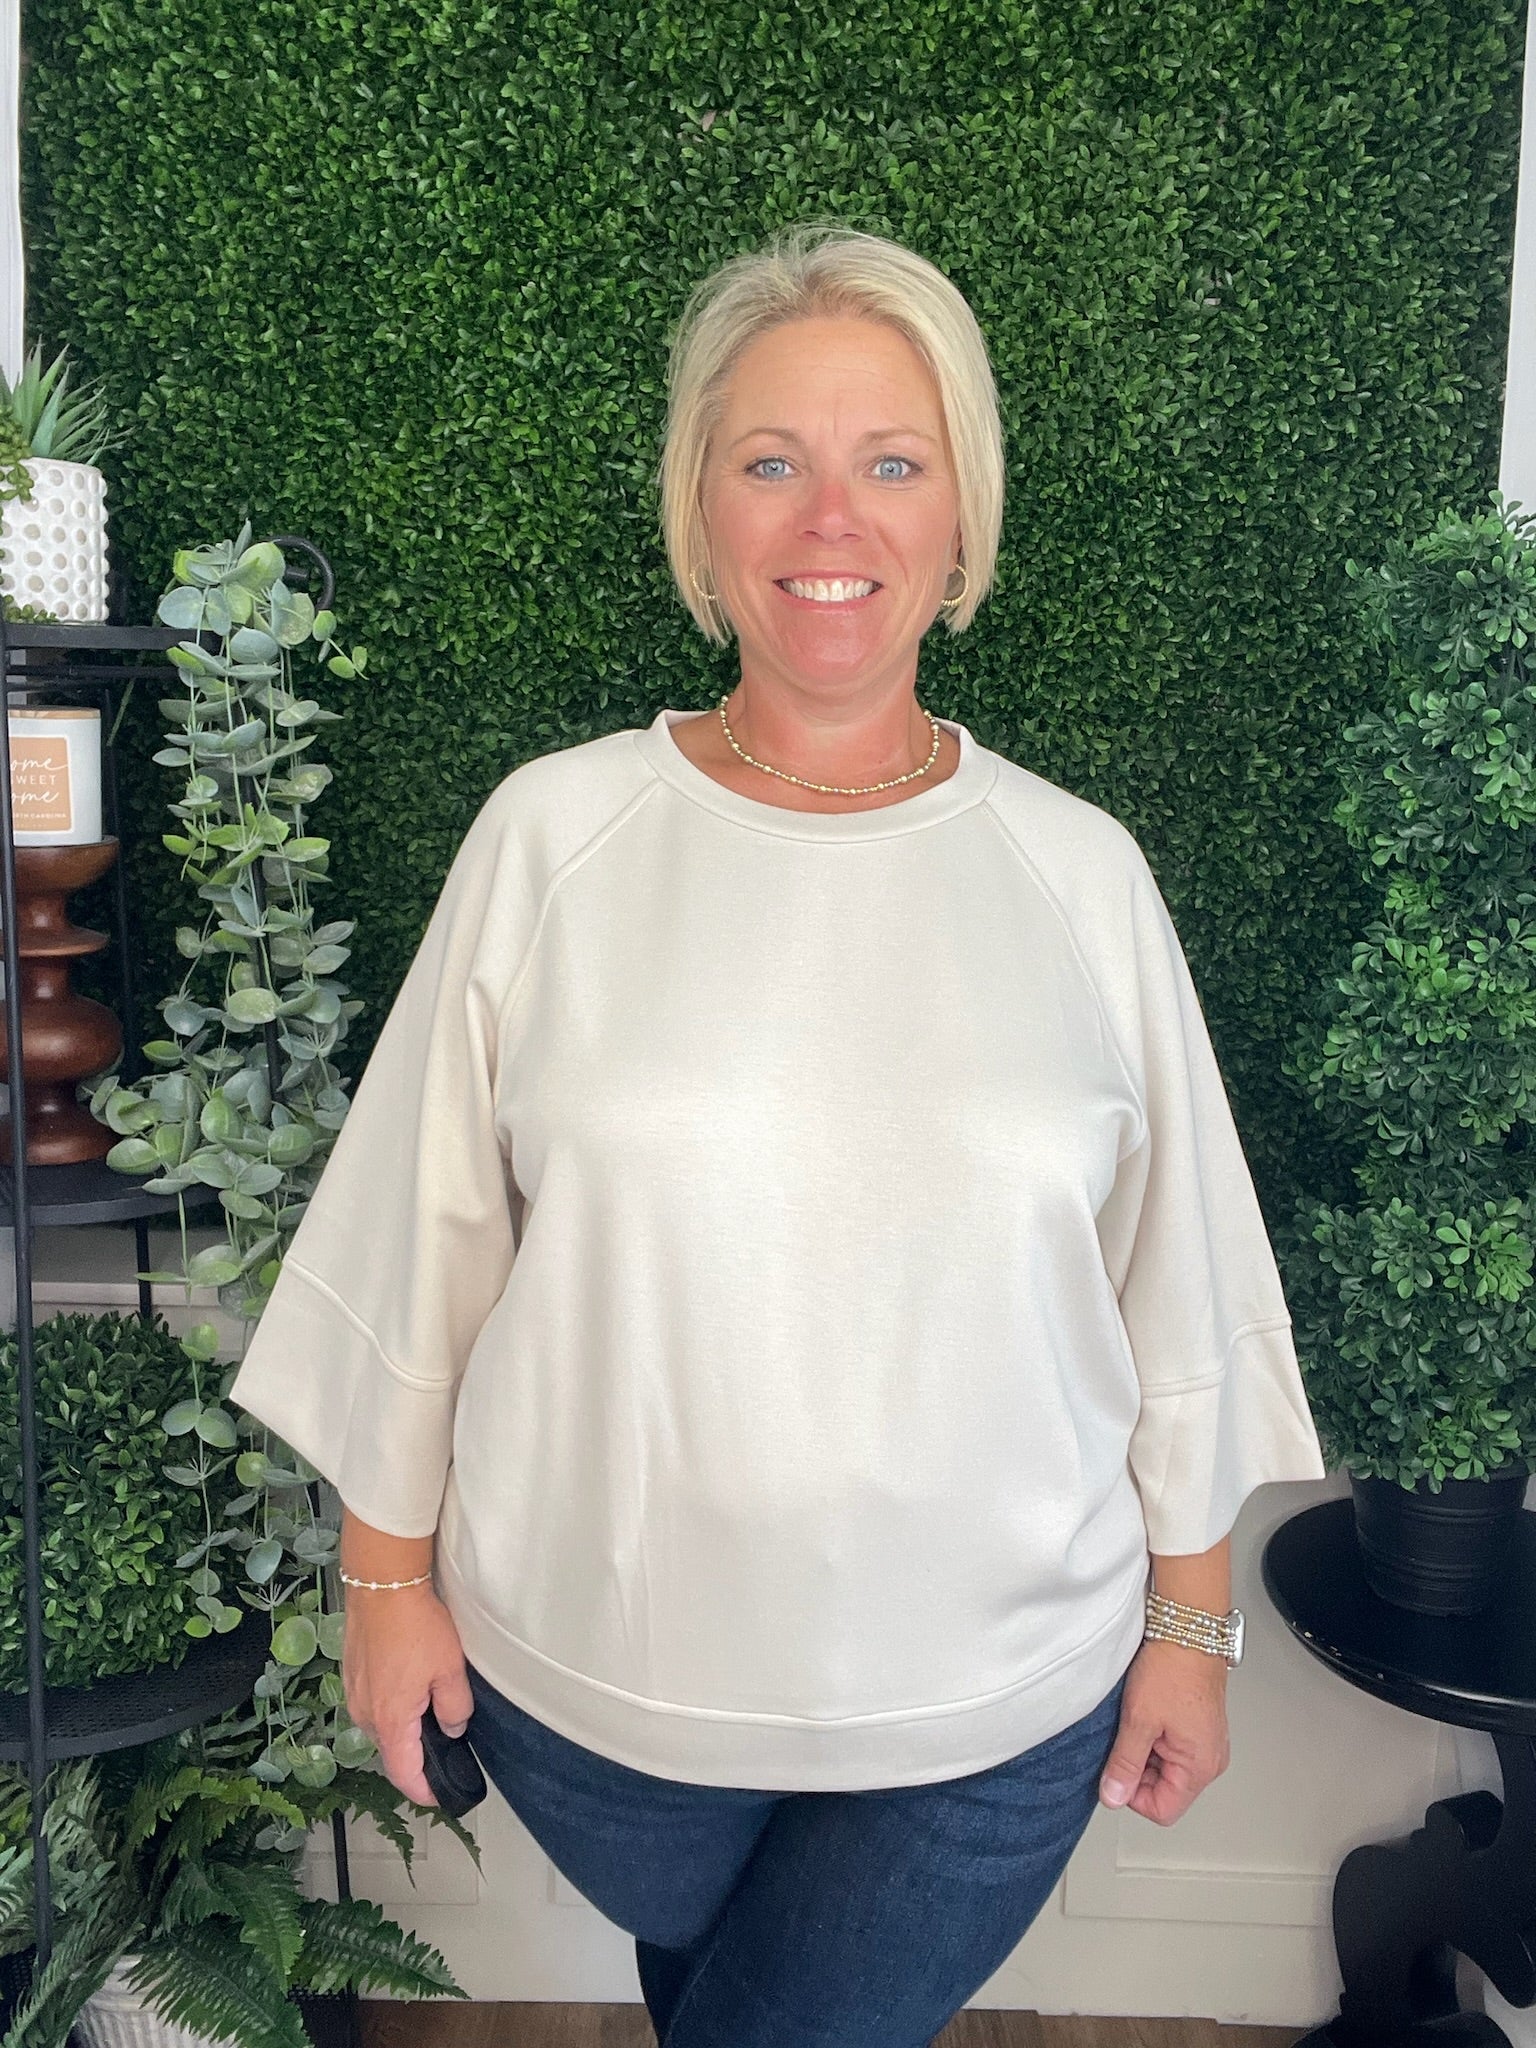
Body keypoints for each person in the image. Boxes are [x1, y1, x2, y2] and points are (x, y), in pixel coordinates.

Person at [227, 221, 1328, 2047]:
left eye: (893, 463)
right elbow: (419, 1251)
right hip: (599, 1702)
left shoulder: (1082, 875)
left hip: (998, 1708)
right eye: (771, 463)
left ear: (961, 522)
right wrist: (385, 1584)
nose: (833, 520)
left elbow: (1180, 1299)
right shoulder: (550, 838)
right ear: (700, 513)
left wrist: (1194, 1638)